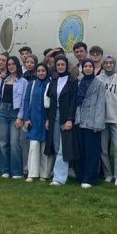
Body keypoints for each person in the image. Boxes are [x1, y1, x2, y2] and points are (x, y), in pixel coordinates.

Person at [73, 60, 107, 188]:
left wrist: (97, 124)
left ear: (93, 68)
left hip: (93, 122)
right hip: (80, 121)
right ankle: (81, 176)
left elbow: (101, 104)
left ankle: (90, 178)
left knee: (92, 152)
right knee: (82, 150)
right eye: (85, 66)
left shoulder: (99, 84)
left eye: (90, 66)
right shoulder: (80, 83)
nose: (87, 68)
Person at [45, 55, 78, 186]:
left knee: (63, 147)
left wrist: (70, 119)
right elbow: (48, 101)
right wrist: (48, 119)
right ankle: (64, 171)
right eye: (58, 65)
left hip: (66, 116)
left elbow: (73, 102)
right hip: (54, 115)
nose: (60, 67)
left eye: (62, 64)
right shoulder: (53, 81)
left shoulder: (72, 82)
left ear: (66, 66)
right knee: (57, 144)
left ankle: (59, 178)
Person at [0, 56, 27, 179]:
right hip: (3, 111)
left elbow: (24, 101)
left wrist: (20, 117)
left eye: (13, 64)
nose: (11, 66)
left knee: (14, 143)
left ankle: (17, 172)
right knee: (3, 142)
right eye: (9, 64)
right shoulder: (3, 80)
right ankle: (5, 170)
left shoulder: (23, 82)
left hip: (15, 112)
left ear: (17, 65)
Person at [20, 62, 52, 182]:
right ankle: (32, 173)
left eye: (43, 71)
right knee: (33, 146)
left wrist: (49, 119)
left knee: (45, 147)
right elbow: (26, 101)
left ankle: (44, 174)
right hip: (33, 120)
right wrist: (26, 118)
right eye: (38, 71)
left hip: (45, 120)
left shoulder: (50, 84)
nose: (41, 73)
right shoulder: (32, 84)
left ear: (46, 72)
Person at [97, 55, 117, 186]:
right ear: (103, 65)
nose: (108, 65)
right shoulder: (98, 79)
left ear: (114, 64)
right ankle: (108, 174)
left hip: (116, 119)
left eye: (111, 63)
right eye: (106, 63)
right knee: (103, 149)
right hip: (102, 120)